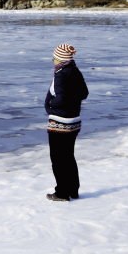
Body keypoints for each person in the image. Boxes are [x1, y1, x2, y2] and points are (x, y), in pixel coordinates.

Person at [44, 43, 89, 202]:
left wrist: (50, 105)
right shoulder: (75, 71)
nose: (53, 61)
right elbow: (84, 93)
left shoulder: (61, 74)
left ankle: (62, 192)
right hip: (74, 121)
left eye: (54, 58)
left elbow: (61, 98)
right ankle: (73, 190)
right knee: (68, 156)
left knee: (58, 159)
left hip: (60, 122)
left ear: (60, 59)